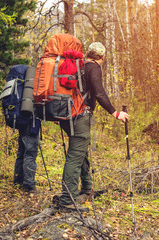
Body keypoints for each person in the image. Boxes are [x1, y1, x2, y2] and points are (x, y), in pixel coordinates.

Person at [58, 42, 129, 212]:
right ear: (102, 57)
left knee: (80, 150)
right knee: (75, 155)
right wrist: (115, 113)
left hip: (68, 115)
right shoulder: (94, 68)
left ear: (88, 53)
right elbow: (99, 92)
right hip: (81, 114)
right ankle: (67, 200)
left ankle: (87, 188)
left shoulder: (78, 65)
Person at [13, 120, 40, 194]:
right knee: (30, 155)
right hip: (31, 123)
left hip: (23, 123)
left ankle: (18, 181)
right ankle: (29, 185)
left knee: (21, 153)